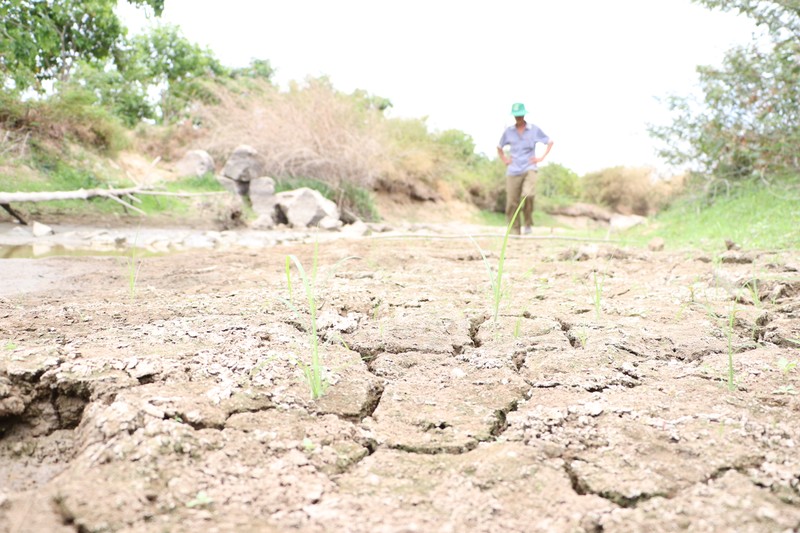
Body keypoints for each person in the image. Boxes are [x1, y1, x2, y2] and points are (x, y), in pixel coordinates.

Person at [497, 102, 554, 235]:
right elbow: (499, 147)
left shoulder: (534, 129)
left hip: (529, 167)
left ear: (524, 114)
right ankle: (514, 230)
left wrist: (541, 158)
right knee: (512, 202)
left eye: (520, 115)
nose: (518, 118)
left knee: (528, 195)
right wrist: (505, 159)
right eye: (516, 115)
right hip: (513, 170)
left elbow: (550, 141)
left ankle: (528, 223)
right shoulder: (508, 132)